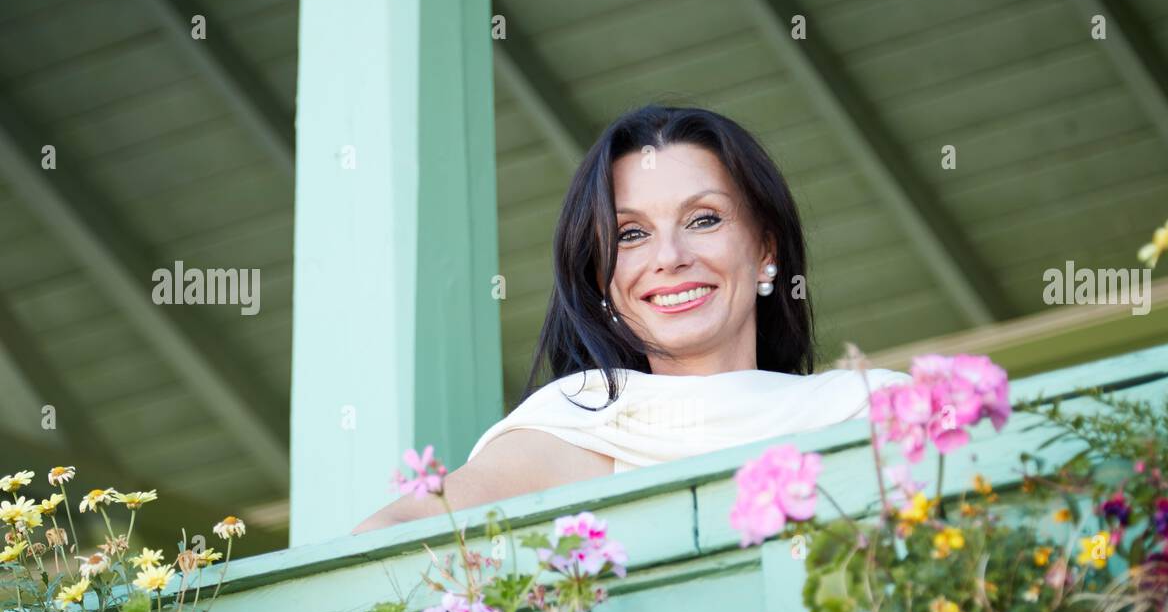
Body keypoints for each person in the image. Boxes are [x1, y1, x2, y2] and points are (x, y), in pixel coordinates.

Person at [352, 104, 909, 535]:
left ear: (766, 248)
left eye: (704, 219)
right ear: (601, 279)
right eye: (632, 234)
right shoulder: (580, 431)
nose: (668, 256)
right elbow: (383, 538)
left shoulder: (864, 409)